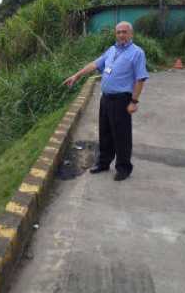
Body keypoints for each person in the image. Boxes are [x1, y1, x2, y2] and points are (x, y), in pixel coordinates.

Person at [63, 21, 148, 181]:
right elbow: (95, 64)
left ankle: (123, 168)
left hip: (122, 100)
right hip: (106, 98)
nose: (121, 35)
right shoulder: (112, 50)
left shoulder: (137, 53)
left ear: (131, 34)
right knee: (105, 133)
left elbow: (140, 79)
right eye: (119, 32)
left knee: (122, 136)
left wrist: (134, 101)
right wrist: (77, 75)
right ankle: (103, 163)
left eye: (124, 32)